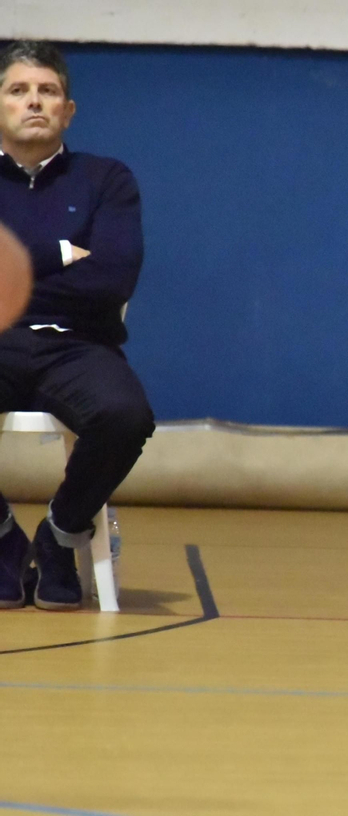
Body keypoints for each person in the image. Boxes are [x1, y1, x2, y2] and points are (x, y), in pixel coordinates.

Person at [0, 40, 155, 611]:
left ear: (68, 110)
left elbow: (114, 278)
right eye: (18, 90)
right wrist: (64, 252)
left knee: (126, 416)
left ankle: (62, 535)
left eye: (48, 91)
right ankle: (2, 541)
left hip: (80, 344)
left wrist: (14, 269)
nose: (34, 102)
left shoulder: (107, 180)